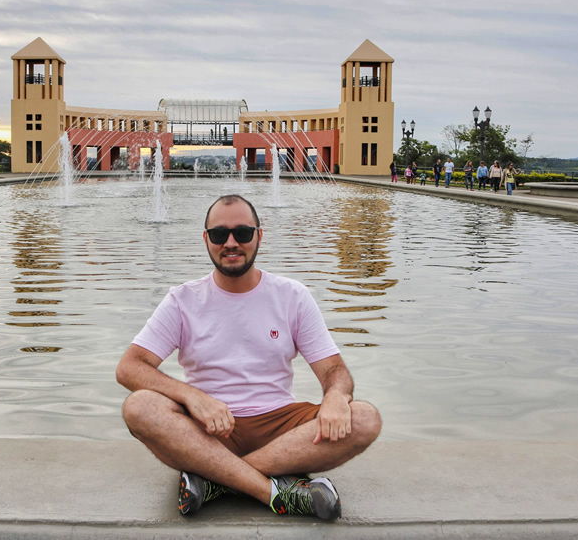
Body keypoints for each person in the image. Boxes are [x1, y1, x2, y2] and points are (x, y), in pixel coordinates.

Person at [117, 195, 381, 521]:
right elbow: (130, 367)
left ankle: (215, 480)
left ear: (259, 235)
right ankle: (274, 492)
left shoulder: (291, 296)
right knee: (139, 406)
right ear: (205, 239)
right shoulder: (182, 300)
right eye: (219, 235)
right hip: (207, 430)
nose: (231, 243)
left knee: (365, 417)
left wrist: (337, 396)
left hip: (281, 427)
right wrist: (193, 397)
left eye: (242, 233)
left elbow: (334, 370)